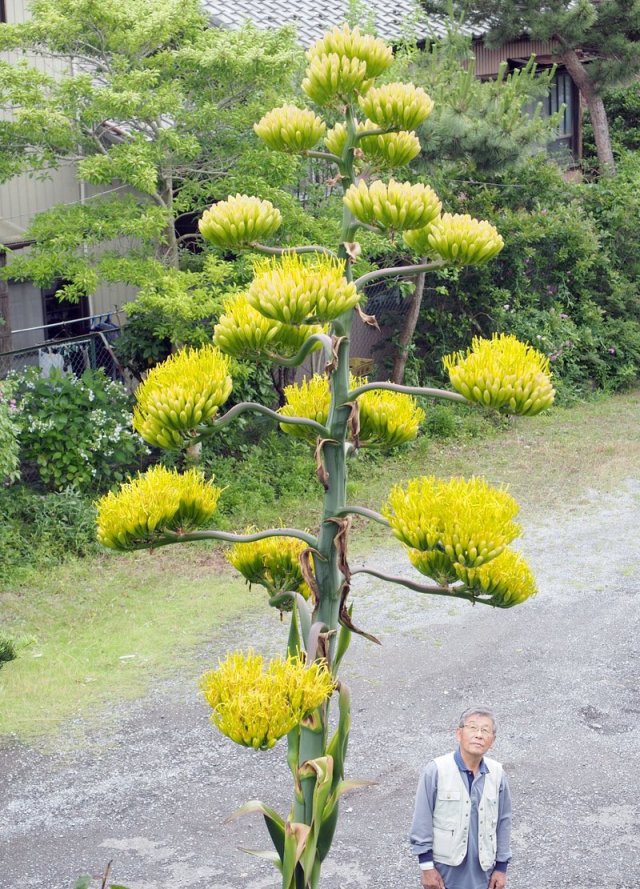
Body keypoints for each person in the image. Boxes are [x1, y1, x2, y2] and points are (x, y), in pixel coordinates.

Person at [409, 707, 512, 889]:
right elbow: (422, 819)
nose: (479, 735)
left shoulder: (498, 774)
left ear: (492, 741)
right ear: (459, 733)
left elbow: (503, 821)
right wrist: (426, 868)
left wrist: (501, 868)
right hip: (444, 872)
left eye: (485, 730)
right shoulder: (436, 770)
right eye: (472, 728)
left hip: (484, 873)